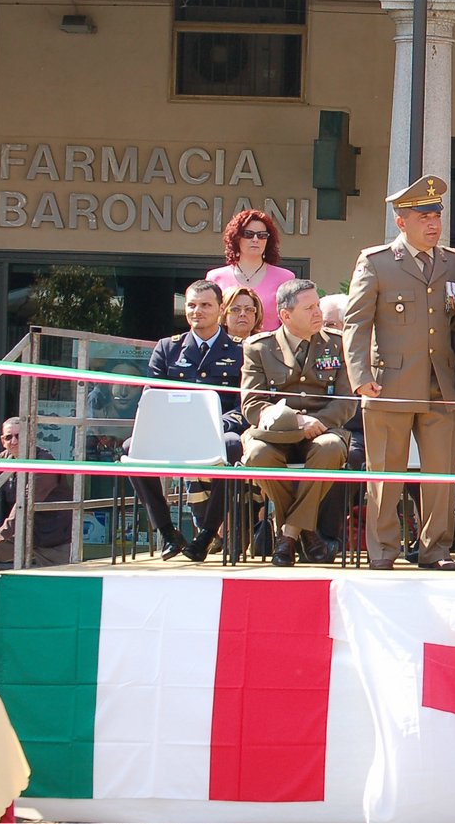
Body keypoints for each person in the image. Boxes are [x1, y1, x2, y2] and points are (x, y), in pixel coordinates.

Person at [345, 176, 455, 571]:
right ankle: (383, 551)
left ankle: (435, 549)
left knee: (439, 476)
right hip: (390, 383)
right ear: (401, 221)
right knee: (386, 474)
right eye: (423, 216)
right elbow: (356, 323)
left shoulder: (454, 262)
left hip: (442, 383)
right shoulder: (378, 262)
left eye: (436, 215)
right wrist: (360, 375)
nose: (433, 223)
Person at [127, 280, 247, 562]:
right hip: (175, 431)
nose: (197, 311)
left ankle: (206, 534)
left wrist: (219, 426)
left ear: (220, 309)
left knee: (233, 447)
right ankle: (168, 532)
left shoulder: (240, 350)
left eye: (205, 305)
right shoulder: (168, 348)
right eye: (191, 305)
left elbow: (244, 405)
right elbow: (152, 398)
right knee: (131, 448)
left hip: (219, 431)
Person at [240, 280, 356, 567]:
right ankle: (305, 533)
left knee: (330, 448)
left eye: (317, 305)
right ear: (286, 315)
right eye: (309, 308)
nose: (318, 312)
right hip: (276, 435)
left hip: (322, 431)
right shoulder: (259, 348)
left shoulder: (338, 344)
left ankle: (288, 534)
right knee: (256, 455)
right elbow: (252, 404)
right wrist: (296, 422)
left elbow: (347, 401)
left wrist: (316, 421)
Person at [0, 418, 73, 571]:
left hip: (53, 540)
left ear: (30, 437)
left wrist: (3, 532)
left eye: (19, 436)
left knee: (59, 589)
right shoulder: (6, 457)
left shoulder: (44, 461)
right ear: (2, 441)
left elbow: (27, 500)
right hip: (21, 536)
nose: (14, 441)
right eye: (9, 437)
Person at [314, 292, 366, 546]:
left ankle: (328, 535)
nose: (324, 330)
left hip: (360, 431)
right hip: (323, 427)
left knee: (348, 456)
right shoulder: (317, 351)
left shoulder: (366, 353)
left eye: (330, 324)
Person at [207, 210, 297, 330]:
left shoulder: (285, 278)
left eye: (262, 235)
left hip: (271, 347)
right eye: (248, 234)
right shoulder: (215, 277)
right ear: (236, 238)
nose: (255, 239)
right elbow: (209, 320)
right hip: (226, 347)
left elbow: (291, 324)